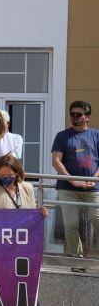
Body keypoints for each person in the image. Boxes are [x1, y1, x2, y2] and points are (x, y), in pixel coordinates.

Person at [0, 154, 54, 306]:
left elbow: (32, 213)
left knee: (28, 287)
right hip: (0, 246)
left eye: (9, 174)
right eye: (2, 174)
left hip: (24, 246)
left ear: (17, 172)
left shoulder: (27, 188)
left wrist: (41, 213)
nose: (6, 177)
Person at [51, 101, 99, 264]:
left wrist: (95, 178)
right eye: (72, 114)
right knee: (71, 224)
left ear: (88, 117)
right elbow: (56, 161)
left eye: (78, 115)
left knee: (97, 219)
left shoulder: (96, 135)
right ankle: (76, 258)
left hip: (93, 188)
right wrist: (73, 180)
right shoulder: (62, 136)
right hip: (68, 188)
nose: (74, 118)